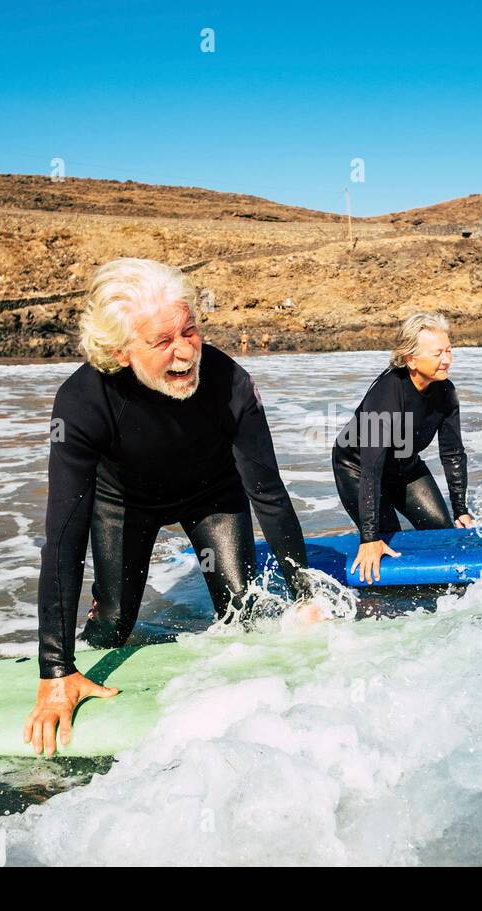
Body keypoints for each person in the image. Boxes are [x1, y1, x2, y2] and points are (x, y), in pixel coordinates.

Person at [25, 258, 317, 756]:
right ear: (120, 351)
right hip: (124, 504)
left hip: (212, 495)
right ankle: (100, 623)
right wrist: (55, 671)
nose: (185, 352)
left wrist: (306, 596)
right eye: (162, 342)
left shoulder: (232, 384)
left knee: (241, 612)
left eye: (190, 331)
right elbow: (64, 537)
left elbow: (267, 492)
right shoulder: (80, 403)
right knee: (115, 627)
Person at [332, 312, 473, 584]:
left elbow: (453, 452)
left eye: (449, 351)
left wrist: (461, 510)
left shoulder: (445, 392)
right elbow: (372, 468)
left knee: (444, 537)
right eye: (437, 354)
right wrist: (369, 537)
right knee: (386, 546)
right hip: (358, 468)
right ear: (410, 359)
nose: (446, 360)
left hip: (405, 468)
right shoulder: (386, 393)